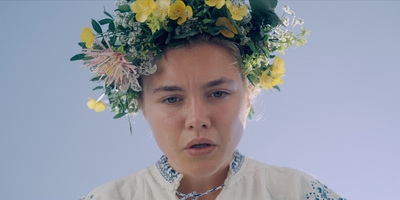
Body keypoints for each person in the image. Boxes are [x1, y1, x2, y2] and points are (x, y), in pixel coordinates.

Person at [72, 0, 344, 199]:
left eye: (217, 93)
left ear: (249, 96)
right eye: (171, 99)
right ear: (142, 107)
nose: (197, 119)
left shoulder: (295, 192)